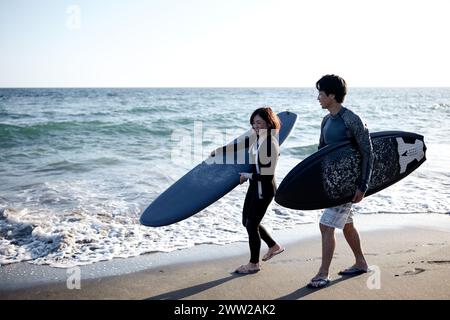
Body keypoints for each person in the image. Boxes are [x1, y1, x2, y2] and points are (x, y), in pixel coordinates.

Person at [308, 75, 374, 288]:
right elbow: (321, 152)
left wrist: (363, 185)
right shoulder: (326, 120)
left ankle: (323, 273)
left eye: (321, 93)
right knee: (346, 224)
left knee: (326, 225)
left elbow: (368, 153)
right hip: (332, 184)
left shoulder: (352, 119)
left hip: (349, 184)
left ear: (332, 95)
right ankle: (361, 262)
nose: (318, 98)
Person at [212, 107, 285, 274]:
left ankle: (254, 263)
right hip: (255, 187)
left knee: (251, 225)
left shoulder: (270, 144)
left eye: (259, 122)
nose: (256, 126)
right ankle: (274, 246)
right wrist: (220, 151)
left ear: (268, 122)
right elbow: (240, 145)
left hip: (264, 189)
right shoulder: (258, 138)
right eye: (253, 123)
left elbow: (266, 176)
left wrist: (247, 175)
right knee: (247, 222)